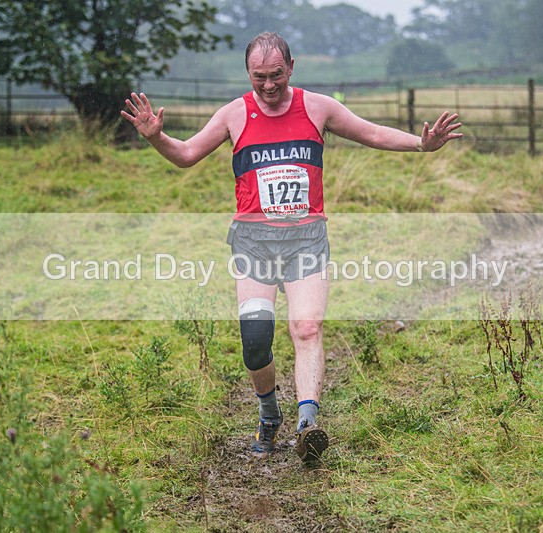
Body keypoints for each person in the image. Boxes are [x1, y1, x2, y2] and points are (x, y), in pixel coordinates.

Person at [121, 32, 462, 462]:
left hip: (306, 240)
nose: (267, 86)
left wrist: (419, 143)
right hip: (253, 243)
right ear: (248, 73)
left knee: (307, 329)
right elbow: (187, 153)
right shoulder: (234, 115)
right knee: (256, 341)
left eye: (276, 75)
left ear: (292, 67)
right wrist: (156, 138)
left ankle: (307, 425)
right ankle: (269, 414)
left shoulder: (318, 108)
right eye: (258, 77)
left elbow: (370, 132)